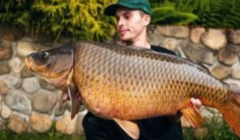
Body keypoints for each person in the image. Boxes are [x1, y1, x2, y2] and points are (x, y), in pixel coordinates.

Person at [82, 0, 202, 140]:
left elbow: (173, 119)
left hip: (161, 135)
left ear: (146, 19)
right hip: (128, 132)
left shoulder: (169, 59)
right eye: (117, 18)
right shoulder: (111, 61)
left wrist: (186, 109)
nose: (120, 23)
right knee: (91, 122)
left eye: (127, 16)